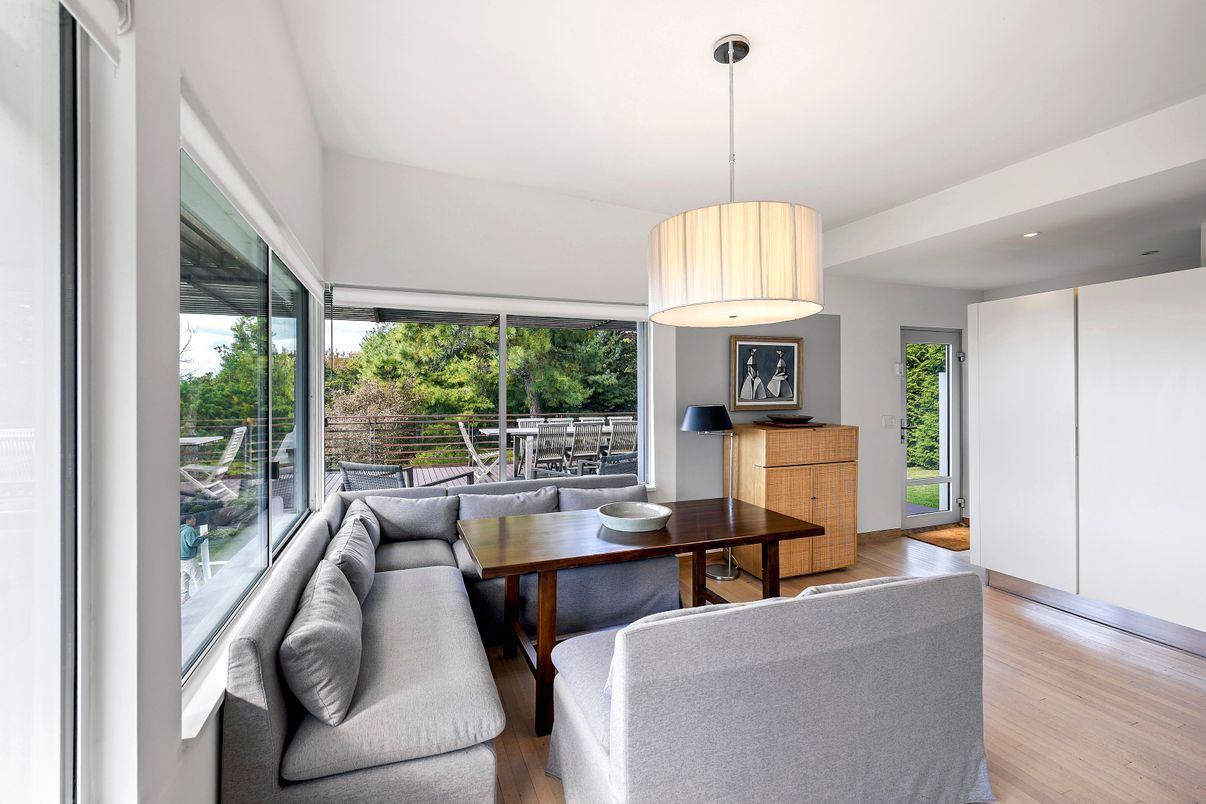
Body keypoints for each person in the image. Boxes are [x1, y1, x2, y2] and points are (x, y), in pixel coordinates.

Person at [180, 514, 208, 604]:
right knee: (198, 578)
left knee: (184, 579)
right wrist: (204, 536)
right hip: (189, 559)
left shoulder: (180, 530)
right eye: (193, 519)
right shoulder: (189, 530)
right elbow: (192, 543)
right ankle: (203, 598)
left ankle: (184, 599)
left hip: (180, 559)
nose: (195, 520)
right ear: (188, 521)